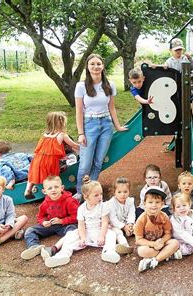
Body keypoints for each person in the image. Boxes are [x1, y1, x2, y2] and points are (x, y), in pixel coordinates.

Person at [75, 53, 128, 200]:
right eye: (92, 64)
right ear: (87, 66)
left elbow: (112, 108)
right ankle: (81, 192)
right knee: (85, 163)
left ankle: (92, 192)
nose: (96, 66)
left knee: (98, 161)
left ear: (103, 66)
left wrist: (117, 126)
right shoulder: (81, 86)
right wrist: (81, 133)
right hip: (89, 124)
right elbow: (79, 111)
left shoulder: (109, 85)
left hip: (106, 124)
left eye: (98, 64)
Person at [42, 177, 120, 267]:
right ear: (86, 197)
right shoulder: (81, 208)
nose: (100, 197)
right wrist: (83, 238)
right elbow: (81, 225)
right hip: (86, 231)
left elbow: (105, 222)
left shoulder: (103, 206)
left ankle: (108, 252)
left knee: (112, 234)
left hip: (99, 231)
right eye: (96, 195)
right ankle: (62, 255)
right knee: (71, 235)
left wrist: (102, 236)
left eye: (101, 194)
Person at [20, 176, 78, 260]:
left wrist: (62, 221)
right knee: (30, 230)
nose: (53, 190)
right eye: (50, 188)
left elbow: (76, 216)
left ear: (62, 188)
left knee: (73, 233)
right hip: (52, 224)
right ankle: (34, 247)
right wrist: (43, 222)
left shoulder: (69, 201)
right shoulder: (45, 203)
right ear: (44, 191)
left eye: (56, 187)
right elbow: (40, 216)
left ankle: (61, 249)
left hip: (67, 225)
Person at [24, 111, 79, 198]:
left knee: (32, 174)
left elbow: (43, 150)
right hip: (49, 162)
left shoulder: (45, 134)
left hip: (37, 159)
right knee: (52, 179)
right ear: (62, 122)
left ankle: (28, 190)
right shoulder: (62, 135)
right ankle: (53, 196)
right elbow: (74, 145)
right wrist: (85, 148)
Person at [135, 186, 181, 272]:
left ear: (162, 204)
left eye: (157, 202)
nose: (154, 205)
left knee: (175, 243)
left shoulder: (164, 216)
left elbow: (168, 233)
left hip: (161, 243)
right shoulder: (141, 219)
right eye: (150, 202)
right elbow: (139, 240)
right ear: (144, 203)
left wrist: (162, 241)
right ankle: (167, 255)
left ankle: (153, 261)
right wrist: (153, 244)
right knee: (142, 251)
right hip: (149, 245)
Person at [0, 173, 28, 250]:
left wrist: (9, 224)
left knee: (24, 218)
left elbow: (10, 215)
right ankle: (11, 234)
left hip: (6, 225)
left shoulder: (8, 200)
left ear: (3, 189)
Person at [107, 176, 136, 256]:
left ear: (129, 191)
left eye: (125, 192)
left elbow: (131, 214)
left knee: (137, 227)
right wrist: (124, 227)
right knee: (118, 232)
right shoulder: (111, 203)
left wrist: (130, 224)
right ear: (114, 192)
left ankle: (144, 241)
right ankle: (125, 246)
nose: (122, 194)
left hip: (126, 223)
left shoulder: (130, 201)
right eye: (119, 192)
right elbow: (113, 219)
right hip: (115, 225)